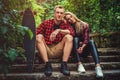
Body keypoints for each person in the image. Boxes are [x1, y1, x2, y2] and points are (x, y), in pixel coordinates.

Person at [36, 5, 74, 76]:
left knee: (69, 37)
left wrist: (59, 30)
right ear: (54, 13)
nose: (59, 15)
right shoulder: (46, 23)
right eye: (57, 12)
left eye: (61, 13)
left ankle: (64, 65)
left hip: (58, 50)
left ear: (63, 15)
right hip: (46, 50)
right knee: (38, 36)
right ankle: (47, 65)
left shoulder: (65, 24)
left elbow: (72, 32)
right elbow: (36, 33)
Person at [64, 12, 104, 78]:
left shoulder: (84, 25)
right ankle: (79, 64)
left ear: (73, 15)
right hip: (75, 51)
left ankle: (98, 67)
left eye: (71, 17)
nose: (70, 19)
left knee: (91, 42)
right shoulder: (69, 27)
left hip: (83, 50)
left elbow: (86, 38)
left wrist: (82, 47)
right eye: (68, 19)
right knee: (76, 39)